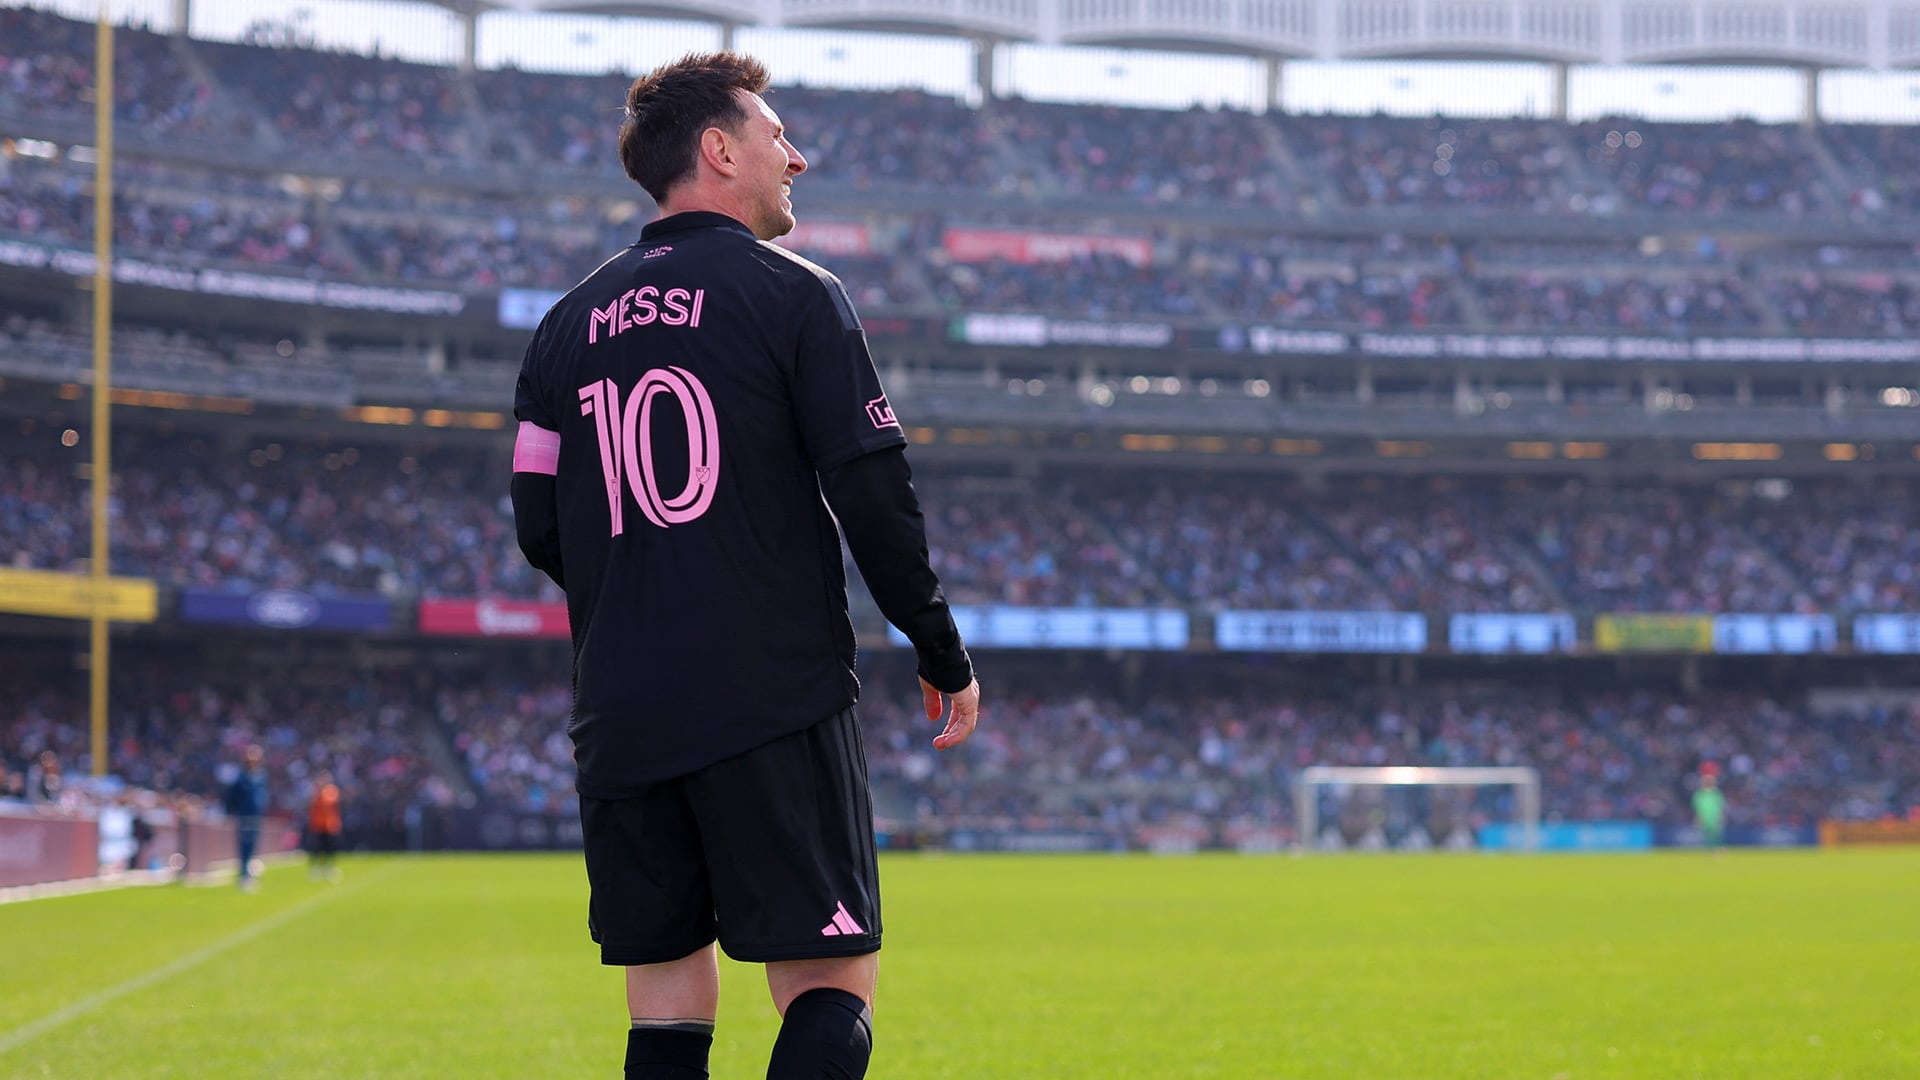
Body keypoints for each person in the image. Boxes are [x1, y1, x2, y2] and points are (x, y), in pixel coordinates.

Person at [510, 51, 980, 1080]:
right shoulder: (796, 294)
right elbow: (872, 493)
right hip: (769, 691)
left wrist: (647, 596)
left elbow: (539, 525)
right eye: (776, 137)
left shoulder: (560, 329)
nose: (795, 157)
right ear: (720, 152)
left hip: (622, 711)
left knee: (666, 1001)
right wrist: (938, 644)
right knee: (828, 981)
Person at [222, 744, 268, 892]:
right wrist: (231, 810)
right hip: (244, 815)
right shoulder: (241, 776)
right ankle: (244, 875)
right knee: (244, 846)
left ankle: (247, 872)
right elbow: (232, 796)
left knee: (252, 845)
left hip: (255, 816)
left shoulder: (261, 775)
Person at [306, 770, 343, 882]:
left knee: (330, 848)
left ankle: (329, 868)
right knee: (317, 849)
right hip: (318, 825)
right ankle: (316, 869)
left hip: (330, 825)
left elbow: (330, 804)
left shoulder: (331, 791)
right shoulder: (315, 792)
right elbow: (310, 805)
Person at [1693, 763, 1726, 851]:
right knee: (1704, 835)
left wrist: (1720, 817)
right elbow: (1697, 808)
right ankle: (1707, 850)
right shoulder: (1700, 794)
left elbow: (1720, 807)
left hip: (1714, 818)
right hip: (1704, 818)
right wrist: (1698, 817)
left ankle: (1718, 850)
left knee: (1717, 835)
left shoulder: (1716, 793)